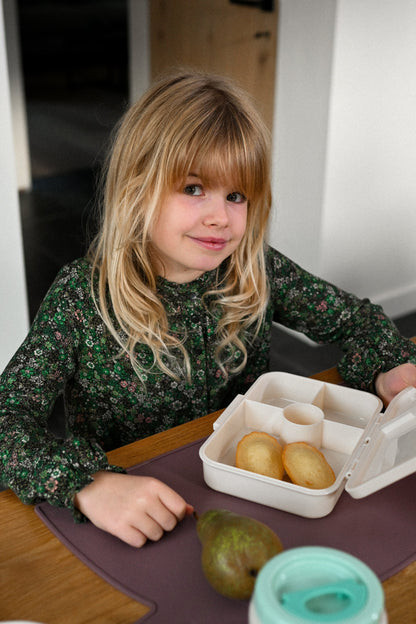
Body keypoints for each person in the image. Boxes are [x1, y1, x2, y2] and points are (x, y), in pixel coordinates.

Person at [1, 70, 415, 548]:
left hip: (246, 498)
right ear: (137, 188)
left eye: (236, 195)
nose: (220, 216)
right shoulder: (81, 296)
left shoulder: (255, 268)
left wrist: (387, 371)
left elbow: (356, 320)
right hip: (134, 514)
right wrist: (87, 485)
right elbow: (7, 420)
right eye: (194, 188)